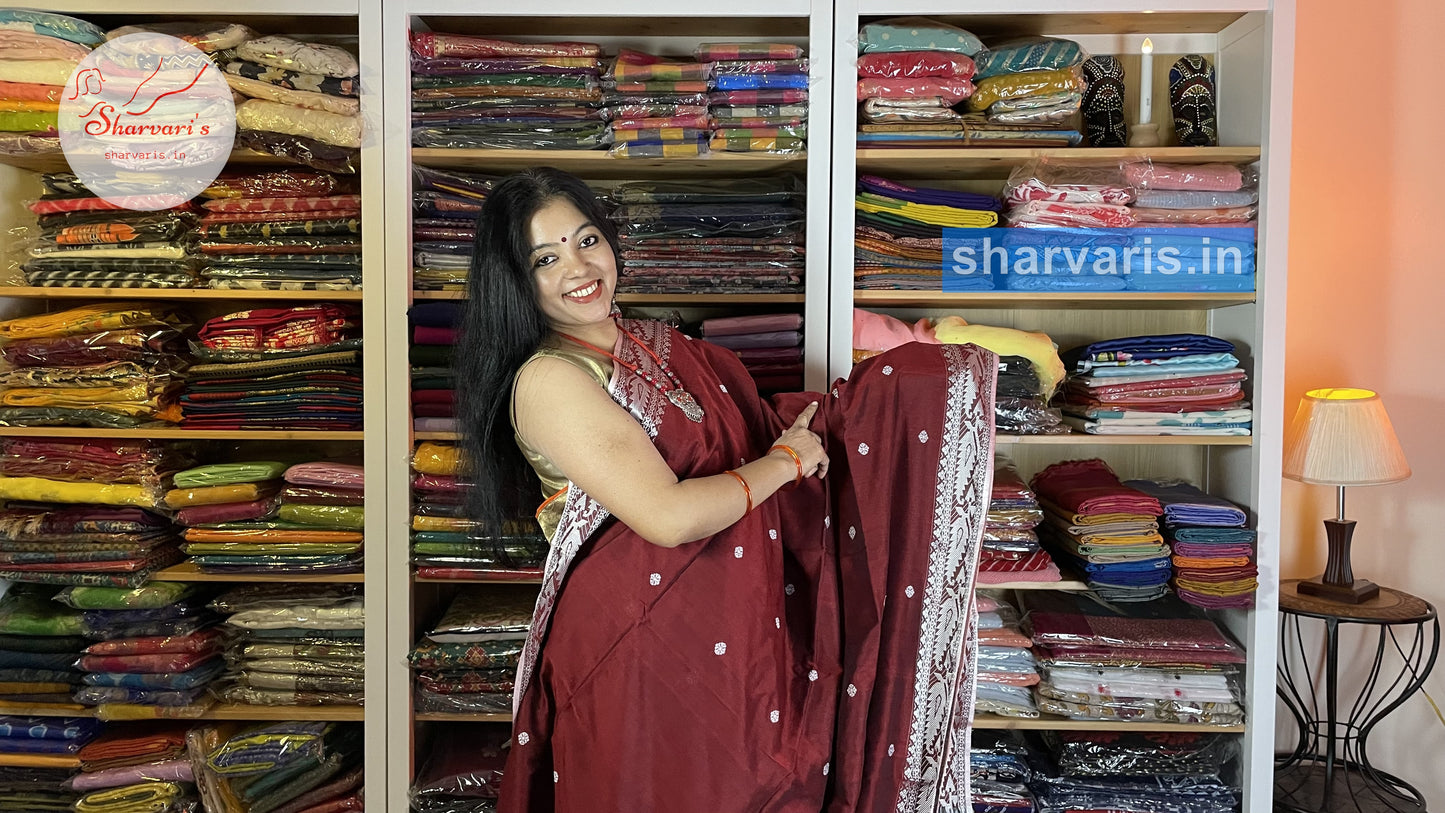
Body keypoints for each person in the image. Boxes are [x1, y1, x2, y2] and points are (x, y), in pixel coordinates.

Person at [456, 167, 999, 813]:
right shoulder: (551, 378)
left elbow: (745, 437)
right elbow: (666, 514)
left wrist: (844, 417)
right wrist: (786, 461)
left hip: (737, 631)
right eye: (546, 257)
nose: (578, 267)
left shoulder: (655, 342)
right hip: (635, 647)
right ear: (514, 279)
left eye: (586, 240)